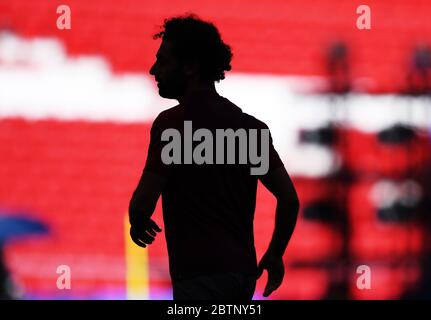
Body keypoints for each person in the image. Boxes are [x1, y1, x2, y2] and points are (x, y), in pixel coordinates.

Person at [129, 14, 299, 300]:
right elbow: (289, 199)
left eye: (164, 60)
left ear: (191, 67)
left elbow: (141, 205)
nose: (153, 69)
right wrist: (274, 254)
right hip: (242, 277)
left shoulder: (172, 126)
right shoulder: (251, 129)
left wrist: (139, 220)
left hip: (196, 277)